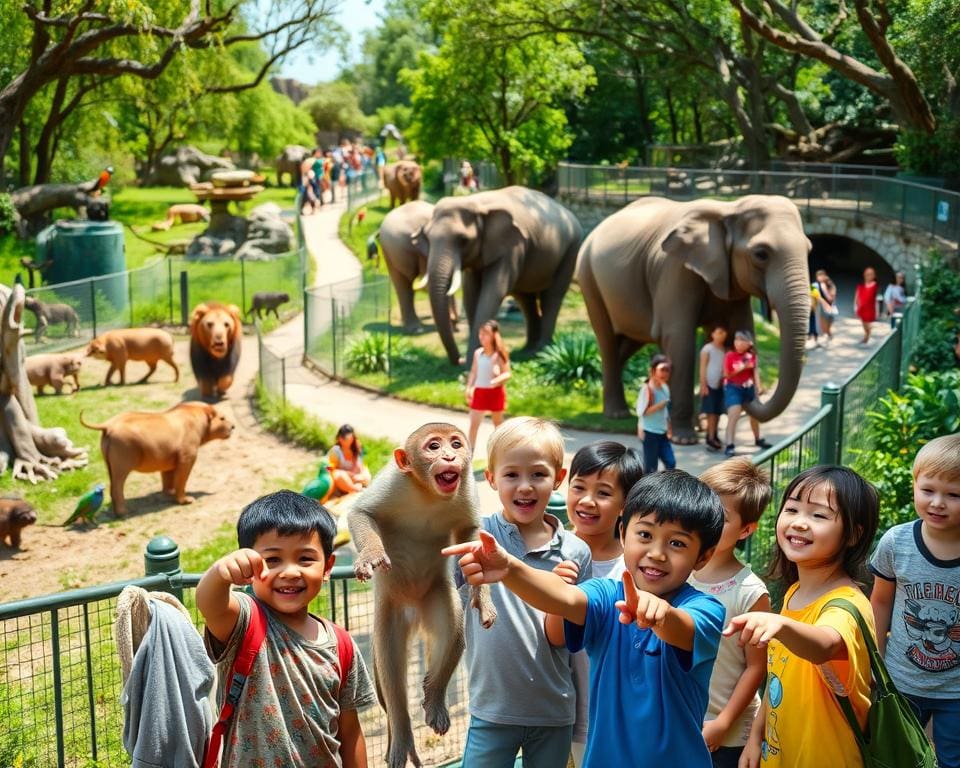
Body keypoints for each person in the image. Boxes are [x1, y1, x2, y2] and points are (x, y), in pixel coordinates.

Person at [444, 469, 725, 768]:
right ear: (622, 533)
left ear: (703, 557)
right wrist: (510, 569)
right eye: (644, 534)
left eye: (677, 543)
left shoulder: (705, 609)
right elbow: (564, 597)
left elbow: (683, 630)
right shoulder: (606, 595)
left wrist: (662, 616)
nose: (656, 553)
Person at [196, 490, 375, 767]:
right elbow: (210, 605)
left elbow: (350, 734)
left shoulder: (341, 645)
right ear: (249, 563)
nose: (290, 572)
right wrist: (220, 574)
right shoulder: (245, 619)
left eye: (305, 559)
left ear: (328, 567)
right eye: (272, 560)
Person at [455, 417, 593, 767]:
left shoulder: (575, 553)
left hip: (553, 709)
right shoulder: (475, 537)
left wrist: (563, 599)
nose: (525, 486)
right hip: (493, 707)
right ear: (491, 479)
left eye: (538, 474)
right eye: (512, 474)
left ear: (558, 479)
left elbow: (570, 639)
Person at [725, 465, 880, 768]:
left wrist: (780, 624)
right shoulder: (795, 592)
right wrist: (757, 737)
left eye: (819, 515)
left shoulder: (846, 605)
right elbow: (776, 677)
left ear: (853, 535)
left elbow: (823, 644)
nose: (799, 523)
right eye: (792, 509)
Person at [546, 441, 645, 767]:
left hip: (613, 716)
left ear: (625, 503)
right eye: (579, 487)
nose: (587, 501)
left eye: (603, 492)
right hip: (555, 715)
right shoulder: (547, 554)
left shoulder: (634, 568)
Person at [870, 433, 960, 768]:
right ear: (914, 485)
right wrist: (874, 662)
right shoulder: (896, 543)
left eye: (953, 495)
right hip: (901, 680)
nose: (937, 502)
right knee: (896, 757)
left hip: (956, 691)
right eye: (928, 490)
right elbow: (880, 602)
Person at [689, 458, 772, 768]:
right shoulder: (676, 571)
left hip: (727, 733)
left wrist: (723, 723)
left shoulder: (750, 592)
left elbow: (755, 667)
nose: (705, 522)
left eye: (719, 517)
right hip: (678, 719)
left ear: (746, 529)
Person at [465, 319, 511, 453]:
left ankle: (502, 452)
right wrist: (469, 387)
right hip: (480, 392)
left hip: (495, 393)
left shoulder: (499, 354)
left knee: (498, 425)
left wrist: (496, 380)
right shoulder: (478, 353)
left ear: (494, 335)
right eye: (480, 334)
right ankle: (469, 455)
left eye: (485, 334)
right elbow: (474, 372)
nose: (482, 337)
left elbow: (507, 373)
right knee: (473, 424)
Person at [722, 331, 771, 457]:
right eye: (736, 339)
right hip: (733, 388)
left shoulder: (752, 356)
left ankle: (757, 439)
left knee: (754, 415)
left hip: (748, 389)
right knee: (734, 413)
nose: (738, 342)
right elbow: (727, 374)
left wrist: (758, 387)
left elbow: (754, 373)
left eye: (741, 340)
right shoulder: (729, 355)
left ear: (749, 343)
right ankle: (729, 444)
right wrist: (743, 367)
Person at [636, 353, 676, 473]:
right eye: (662, 370)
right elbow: (641, 412)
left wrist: (669, 428)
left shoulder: (665, 388)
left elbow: (665, 412)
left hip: (662, 433)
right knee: (651, 468)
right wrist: (660, 405)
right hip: (650, 433)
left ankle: (664, 487)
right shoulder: (647, 389)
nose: (665, 373)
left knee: (670, 462)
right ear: (653, 371)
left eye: (668, 370)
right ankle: (648, 491)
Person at [699, 325, 728, 452]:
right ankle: (710, 438)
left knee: (717, 412)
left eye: (723, 332)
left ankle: (714, 435)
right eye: (719, 332)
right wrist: (703, 385)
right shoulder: (707, 348)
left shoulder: (724, 349)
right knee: (710, 413)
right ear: (713, 334)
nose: (722, 335)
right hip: (709, 385)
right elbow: (703, 367)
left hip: (720, 385)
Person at [327, 424, 372, 494]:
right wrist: (349, 474)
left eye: (348, 438)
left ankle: (357, 486)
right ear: (339, 438)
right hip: (344, 477)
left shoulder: (356, 447)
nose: (344, 441)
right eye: (343, 438)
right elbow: (331, 469)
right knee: (338, 475)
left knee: (366, 476)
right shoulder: (335, 451)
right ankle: (355, 489)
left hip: (356, 475)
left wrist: (358, 475)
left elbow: (359, 464)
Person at [854, 266, 879, 344]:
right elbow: (856, 297)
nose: (869, 276)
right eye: (867, 274)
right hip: (862, 308)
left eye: (871, 274)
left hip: (870, 308)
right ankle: (867, 335)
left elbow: (876, 299)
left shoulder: (874, 285)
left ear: (874, 276)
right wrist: (855, 306)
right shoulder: (860, 286)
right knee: (864, 323)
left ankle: (867, 337)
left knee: (867, 323)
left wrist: (877, 310)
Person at [814, 269, 838, 343]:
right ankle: (826, 334)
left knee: (830, 320)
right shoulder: (815, 285)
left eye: (821, 276)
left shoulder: (830, 283)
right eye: (818, 276)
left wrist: (831, 298)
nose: (820, 278)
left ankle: (828, 333)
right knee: (823, 320)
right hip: (823, 306)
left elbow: (833, 293)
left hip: (831, 306)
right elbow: (816, 296)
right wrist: (824, 303)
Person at [808, 282, 821, 348]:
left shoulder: (812, 293)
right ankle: (814, 340)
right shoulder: (814, 294)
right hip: (812, 313)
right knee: (814, 326)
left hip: (812, 313)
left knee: (812, 326)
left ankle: (813, 339)